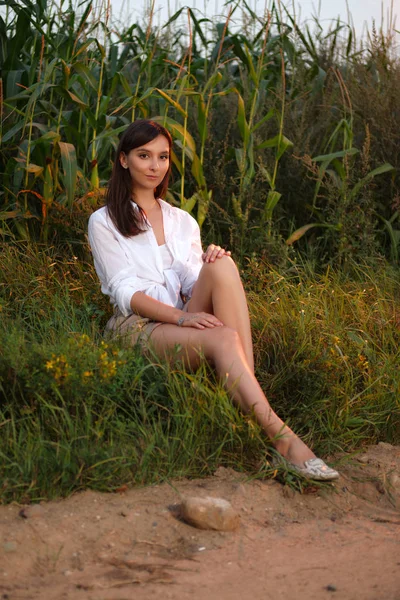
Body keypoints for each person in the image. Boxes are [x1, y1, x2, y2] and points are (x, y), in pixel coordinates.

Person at [88, 119, 339, 481]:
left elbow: (192, 284)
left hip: (180, 320)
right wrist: (181, 319)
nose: (155, 166)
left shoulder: (182, 221)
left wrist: (209, 263)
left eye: (162, 157)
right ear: (124, 160)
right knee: (224, 337)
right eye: (144, 156)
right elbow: (126, 293)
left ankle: (255, 425)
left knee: (222, 265)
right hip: (136, 328)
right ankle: (281, 440)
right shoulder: (105, 221)